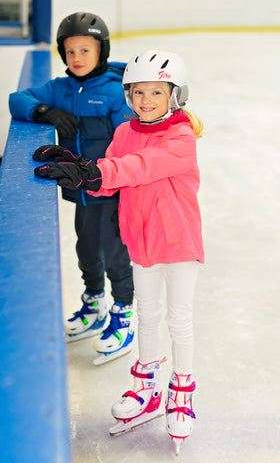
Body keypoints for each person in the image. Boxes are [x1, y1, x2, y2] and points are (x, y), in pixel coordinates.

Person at [32, 49, 204, 454]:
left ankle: (182, 389)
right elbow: (110, 177)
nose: (145, 101)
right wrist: (76, 166)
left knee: (179, 319)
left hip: (176, 240)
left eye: (156, 93)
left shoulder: (179, 137)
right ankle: (147, 389)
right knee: (147, 315)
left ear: (174, 96)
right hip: (140, 237)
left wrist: (96, 170)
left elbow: (141, 166)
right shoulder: (126, 131)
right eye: (138, 92)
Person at [9, 12, 134, 365]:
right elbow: (17, 99)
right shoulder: (60, 88)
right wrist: (45, 112)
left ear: (102, 51)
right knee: (86, 249)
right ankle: (94, 302)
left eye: (85, 50)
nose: (77, 58)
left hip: (110, 191)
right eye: (70, 51)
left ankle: (123, 314)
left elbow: (128, 143)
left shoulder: (113, 93)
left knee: (115, 255)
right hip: (81, 192)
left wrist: (107, 173)